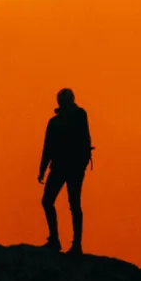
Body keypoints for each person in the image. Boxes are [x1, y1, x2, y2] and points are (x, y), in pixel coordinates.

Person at [39, 87, 92, 255]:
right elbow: (48, 147)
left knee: (69, 203)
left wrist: (42, 169)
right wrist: (42, 169)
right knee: (60, 202)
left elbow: (85, 140)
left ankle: (71, 243)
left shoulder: (75, 117)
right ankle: (61, 241)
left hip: (69, 167)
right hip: (66, 167)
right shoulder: (59, 121)